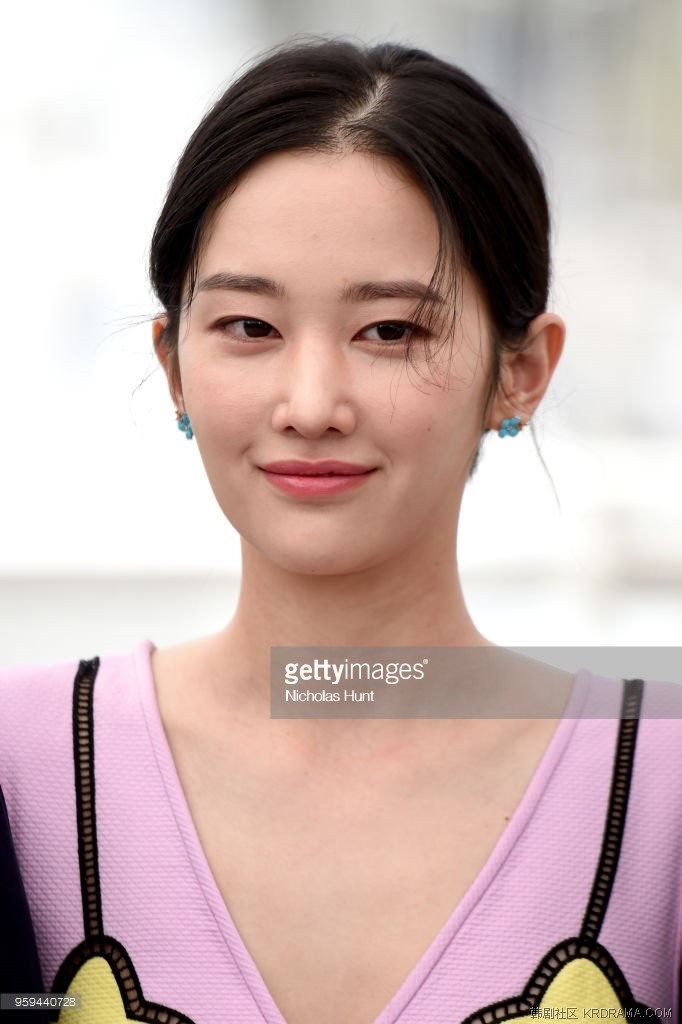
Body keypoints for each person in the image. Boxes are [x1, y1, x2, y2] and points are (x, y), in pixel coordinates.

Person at [0, 38, 680, 1024]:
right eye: (248, 326)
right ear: (176, 362)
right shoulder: (20, 768)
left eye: (391, 331)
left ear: (521, 371)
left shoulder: (658, 776)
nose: (310, 403)